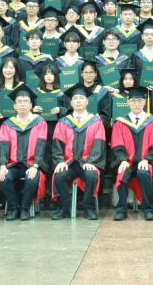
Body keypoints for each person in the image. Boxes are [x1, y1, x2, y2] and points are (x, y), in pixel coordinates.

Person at [51, 83, 107, 221]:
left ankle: (88, 207)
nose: (78, 101)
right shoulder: (63, 122)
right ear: (71, 102)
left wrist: (92, 161)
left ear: (87, 101)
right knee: (59, 175)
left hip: (87, 162)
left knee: (92, 175)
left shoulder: (95, 122)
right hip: (69, 162)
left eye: (81, 98)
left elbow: (99, 143)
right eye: (75, 98)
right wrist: (60, 161)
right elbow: (57, 144)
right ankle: (64, 207)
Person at [0, 83, 49, 221]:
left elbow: (41, 144)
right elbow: (3, 145)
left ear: (31, 105)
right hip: (13, 165)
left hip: (32, 164)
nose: (22, 104)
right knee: (3, 178)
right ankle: (14, 208)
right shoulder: (8, 124)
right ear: (14, 106)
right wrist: (2, 166)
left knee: (32, 179)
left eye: (25, 101)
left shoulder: (39, 122)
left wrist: (35, 166)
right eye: (19, 101)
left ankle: (25, 208)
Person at [110, 85, 153, 221]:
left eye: (139, 101)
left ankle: (148, 209)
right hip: (128, 161)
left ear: (144, 102)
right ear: (128, 102)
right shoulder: (120, 122)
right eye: (133, 101)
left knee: (143, 172)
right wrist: (123, 159)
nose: (137, 104)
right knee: (122, 172)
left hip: (145, 160)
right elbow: (117, 142)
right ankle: (121, 209)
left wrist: (147, 159)